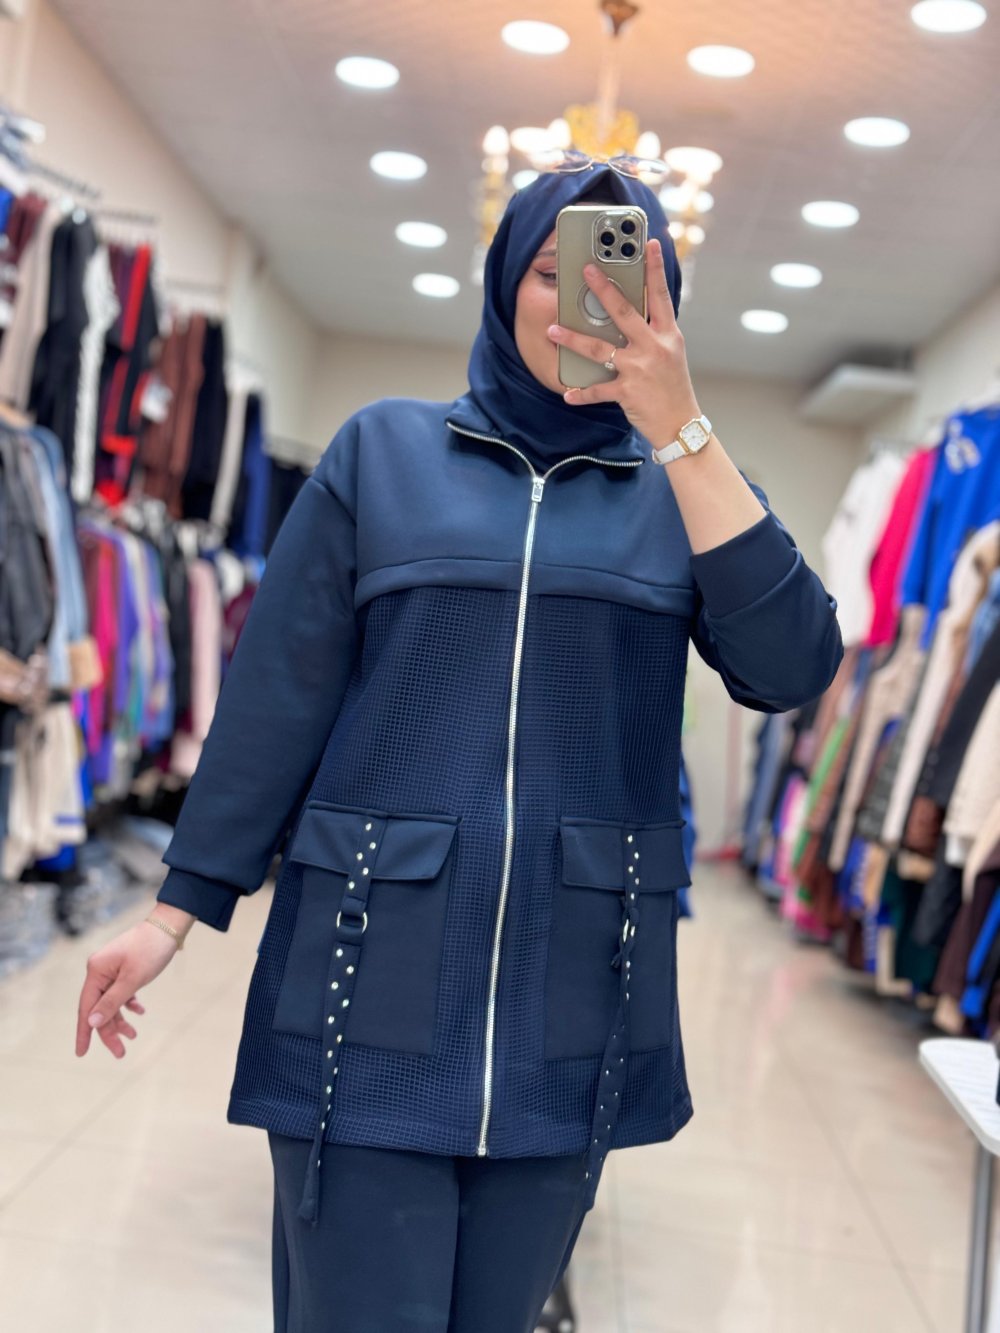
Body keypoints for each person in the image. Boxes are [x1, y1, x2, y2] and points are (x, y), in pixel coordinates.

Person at [74, 162, 843, 1332]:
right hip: (363, 974)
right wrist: (174, 911)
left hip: (573, 994)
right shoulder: (380, 456)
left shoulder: (688, 493)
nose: (586, 300)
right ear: (502, 283)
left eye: (622, 279)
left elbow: (791, 668)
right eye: (552, 270)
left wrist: (684, 429)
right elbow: (275, 699)